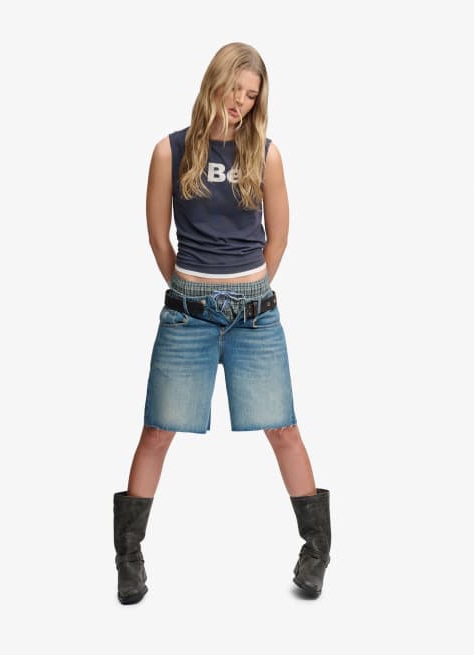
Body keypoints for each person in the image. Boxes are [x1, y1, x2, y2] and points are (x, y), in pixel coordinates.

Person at [113, 42, 331, 604]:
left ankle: (316, 551)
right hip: (188, 312)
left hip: (254, 315)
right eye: (235, 88)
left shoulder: (267, 155)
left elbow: (278, 238)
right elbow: (158, 237)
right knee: (157, 431)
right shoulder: (170, 150)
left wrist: (247, 287)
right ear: (214, 81)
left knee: (283, 429)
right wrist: (191, 286)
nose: (240, 102)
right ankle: (129, 559)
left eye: (251, 95)